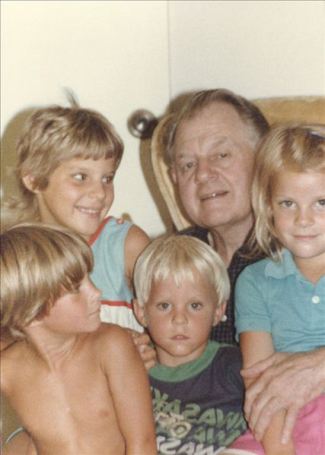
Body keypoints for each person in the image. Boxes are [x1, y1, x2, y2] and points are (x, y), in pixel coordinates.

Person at [164, 88, 325, 442]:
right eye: (187, 164)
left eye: (221, 154)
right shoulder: (166, 259)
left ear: (265, 160)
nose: (203, 174)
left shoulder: (303, 250)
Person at [1, 101, 155, 452]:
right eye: (80, 176)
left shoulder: (126, 245)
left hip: (139, 410)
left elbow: (183, 318)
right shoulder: (12, 260)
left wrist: (161, 350)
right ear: (34, 178)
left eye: (107, 177)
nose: (99, 193)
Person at [0, 223, 157, 455]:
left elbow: (142, 444)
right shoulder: (7, 372)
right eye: (76, 288)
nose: (95, 292)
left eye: (89, 279)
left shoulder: (111, 345)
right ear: (30, 312)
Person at [231, 124, 325, 454]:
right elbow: (260, 381)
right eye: (288, 203)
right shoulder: (255, 281)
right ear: (268, 207)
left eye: (321, 203)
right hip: (281, 422)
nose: (304, 219)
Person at [133, 235, 254, 455]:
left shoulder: (236, 366)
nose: (179, 319)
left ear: (218, 311)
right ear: (141, 312)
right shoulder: (133, 372)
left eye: (195, 305)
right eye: (164, 305)